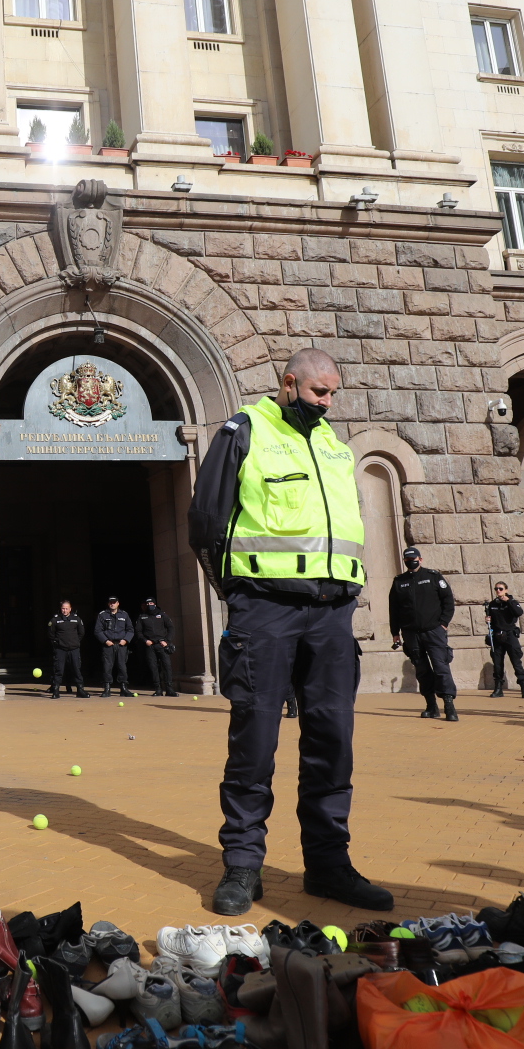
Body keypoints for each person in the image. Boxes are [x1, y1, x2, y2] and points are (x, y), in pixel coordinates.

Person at [190, 346, 393, 917]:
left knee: (333, 742)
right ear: (289, 383)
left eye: (333, 394)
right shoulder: (245, 429)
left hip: (332, 615)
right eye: (319, 393)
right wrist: (234, 593)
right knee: (254, 742)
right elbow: (205, 519)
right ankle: (242, 866)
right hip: (265, 611)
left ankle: (329, 865)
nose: (327, 404)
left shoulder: (331, 445)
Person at [388, 546, 458, 722]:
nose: (411, 561)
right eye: (408, 559)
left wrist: (443, 624)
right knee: (422, 671)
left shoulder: (433, 577)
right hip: (411, 634)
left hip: (434, 631)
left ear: (421, 559)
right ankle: (431, 706)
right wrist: (395, 633)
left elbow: (448, 600)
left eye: (414, 558)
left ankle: (449, 705)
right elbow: (393, 610)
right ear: (404, 561)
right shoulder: (399, 581)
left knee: (441, 668)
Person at [484, 581, 524, 698]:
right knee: (497, 664)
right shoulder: (493, 604)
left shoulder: (512, 602)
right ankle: (498, 688)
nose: (498, 591)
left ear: (506, 590)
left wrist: (508, 601)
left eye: (501, 588)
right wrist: (488, 620)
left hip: (510, 635)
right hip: (497, 636)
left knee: (516, 662)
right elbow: (492, 621)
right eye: (496, 589)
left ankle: (523, 687)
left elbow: (519, 612)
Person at [94, 596, 135, 697]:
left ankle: (123, 687)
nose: (112, 604)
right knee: (107, 666)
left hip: (121, 645)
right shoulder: (102, 615)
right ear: (108, 604)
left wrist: (126, 640)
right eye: (110, 602)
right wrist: (105, 640)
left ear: (118, 603)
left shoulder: (124, 615)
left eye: (114, 602)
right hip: (108, 644)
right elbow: (97, 630)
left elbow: (130, 629)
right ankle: (107, 688)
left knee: (122, 666)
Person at [47, 600, 87, 699]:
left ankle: (80, 690)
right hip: (60, 649)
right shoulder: (55, 619)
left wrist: (75, 642)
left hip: (74, 649)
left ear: (70, 609)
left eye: (66, 608)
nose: (64, 610)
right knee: (59, 670)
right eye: (63, 608)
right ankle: (56, 690)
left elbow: (81, 633)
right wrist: (57, 643)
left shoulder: (76, 619)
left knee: (76, 670)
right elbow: (51, 634)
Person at [136, 598, 175, 697]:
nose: (150, 605)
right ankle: (158, 689)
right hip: (150, 645)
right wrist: (145, 641)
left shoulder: (162, 615)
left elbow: (171, 628)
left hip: (162, 644)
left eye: (151, 603)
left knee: (167, 666)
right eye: (148, 603)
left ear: (155, 604)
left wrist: (166, 641)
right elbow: (138, 632)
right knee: (153, 667)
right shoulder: (142, 616)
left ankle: (169, 689)